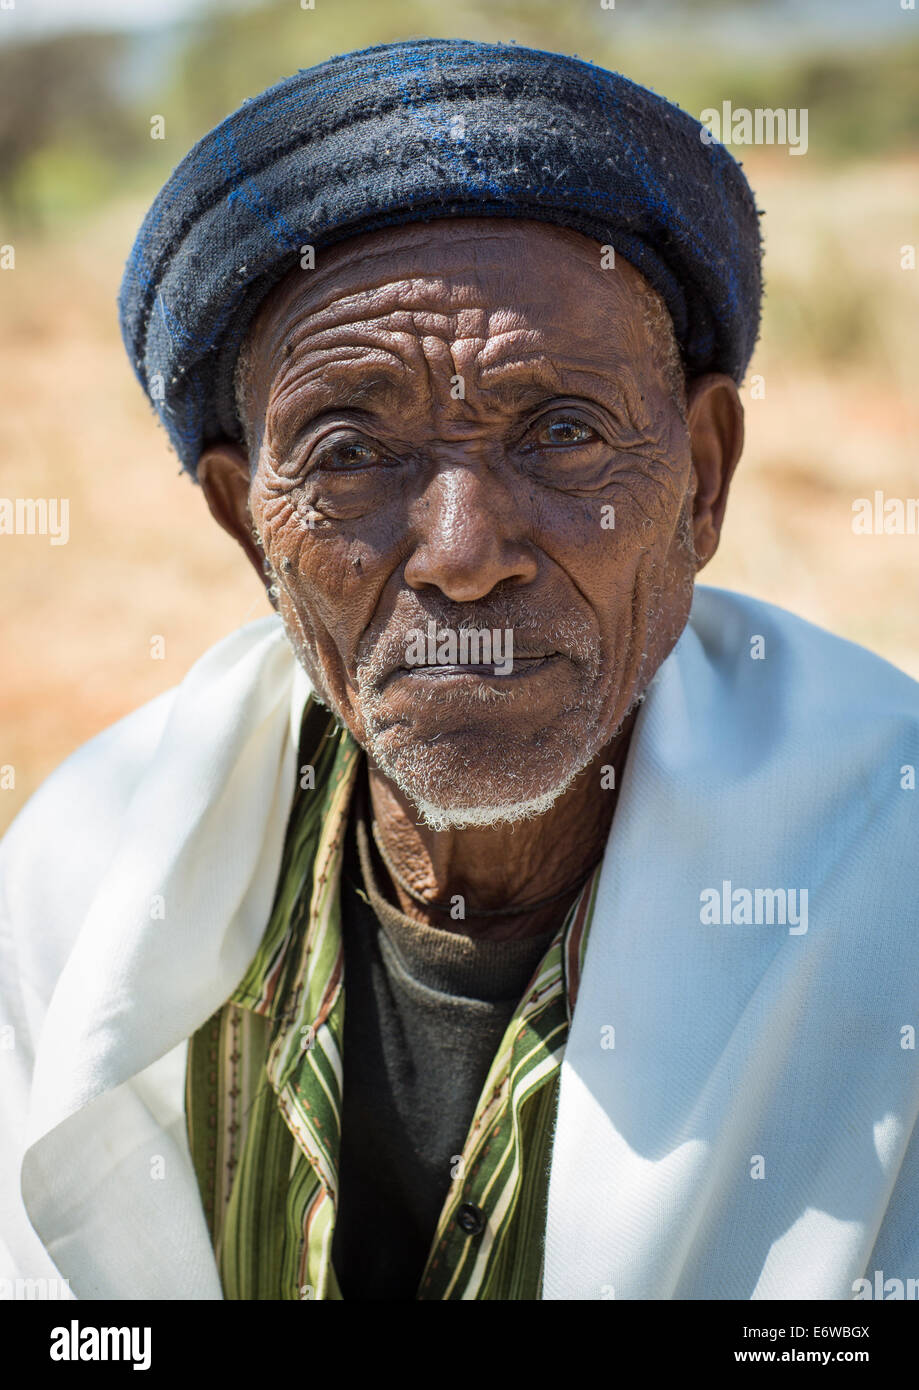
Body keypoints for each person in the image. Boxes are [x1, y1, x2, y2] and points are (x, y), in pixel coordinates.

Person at [2, 38, 917, 1302]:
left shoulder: (894, 869)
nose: (463, 553)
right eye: (350, 454)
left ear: (702, 478)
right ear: (243, 528)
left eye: (561, 433)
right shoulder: (75, 889)